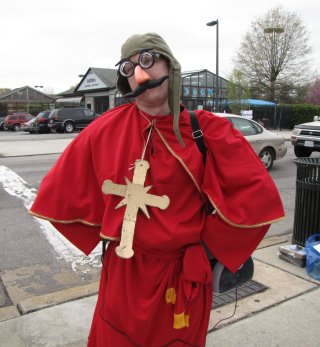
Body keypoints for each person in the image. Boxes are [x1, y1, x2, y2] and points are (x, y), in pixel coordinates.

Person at [29, 33, 285, 346]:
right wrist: (103, 228)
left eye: (147, 61)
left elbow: (258, 200)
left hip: (182, 276)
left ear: (170, 66)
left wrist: (209, 249)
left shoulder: (209, 130)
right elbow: (58, 196)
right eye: (129, 68)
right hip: (124, 274)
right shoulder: (102, 130)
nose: (140, 74)